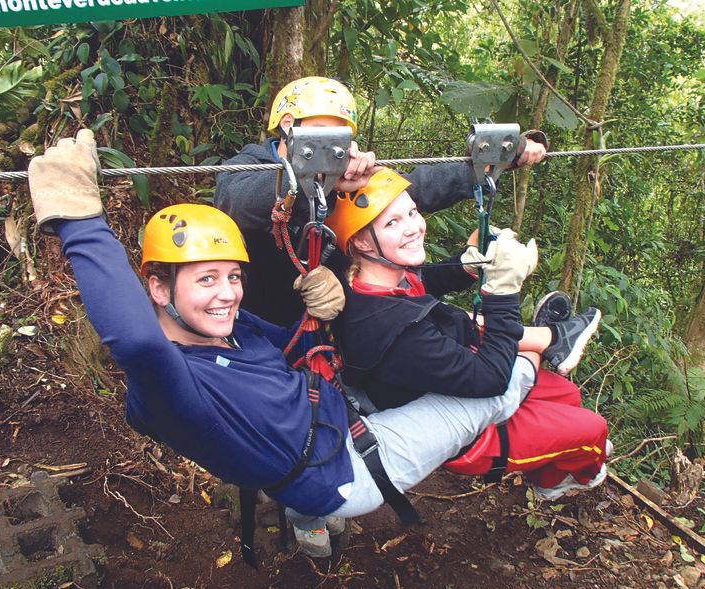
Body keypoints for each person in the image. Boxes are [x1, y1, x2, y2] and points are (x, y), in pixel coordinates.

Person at [28, 129, 541, 559]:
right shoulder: (170, 387)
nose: (227, 293)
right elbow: (139, 343)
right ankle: (546, 359)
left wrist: (322, 313)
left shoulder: (233, 331)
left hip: (334, 422)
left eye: (233, 276)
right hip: (347, 470)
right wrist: (79, 220)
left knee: (419, 363)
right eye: (206, 280)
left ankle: (308, 523)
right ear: (158, 289)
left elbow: (293, 350)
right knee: (495, 390)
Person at [327, 168, 610, 500]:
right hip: (469, 433)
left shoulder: (367, 281)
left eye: (412, 213)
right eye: (392, 223)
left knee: (566, 395)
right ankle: (560, 481)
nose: (413, 227)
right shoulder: (393, 333)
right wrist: (503, 290)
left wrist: (466, 264)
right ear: (361, 241)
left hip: (453, 382)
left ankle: (549, 456)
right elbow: (490, 379)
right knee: (595, 432)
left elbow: (424, 280)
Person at [213, 76, 549, 326]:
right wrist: (316, 179)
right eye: (320, 132)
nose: (331, 146)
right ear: (288, 126)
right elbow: (234, 201)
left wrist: (486, 166)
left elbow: (412, 190)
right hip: (256, 322)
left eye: (339, 136)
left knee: (410, 292)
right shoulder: (253, 164)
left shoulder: (342, 173)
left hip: (332, 321)